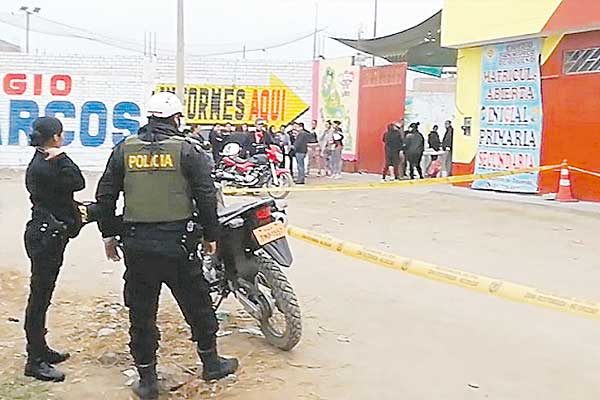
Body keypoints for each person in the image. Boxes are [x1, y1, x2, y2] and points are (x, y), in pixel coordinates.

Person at [94, 92, 238, 399]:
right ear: (176, 119)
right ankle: (211, 363)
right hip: (179, 246)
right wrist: (211, 235)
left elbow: (105, 197)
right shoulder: (187, 150)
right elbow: (206, 196)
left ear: (149, 117)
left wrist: (109, 235)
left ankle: (147, 380)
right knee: (197, 304)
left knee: (141, 313)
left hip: (138, 247)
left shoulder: (124, 149)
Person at [23, 116, 86, 382]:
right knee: (39, 298)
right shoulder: (48, 164)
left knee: (42, 296)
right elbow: (78, 182)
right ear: (56, 137)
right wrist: (63, 158)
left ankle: (40, 348)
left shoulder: (41, 161)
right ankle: (34, 360)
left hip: (45, 233)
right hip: (46, 236)